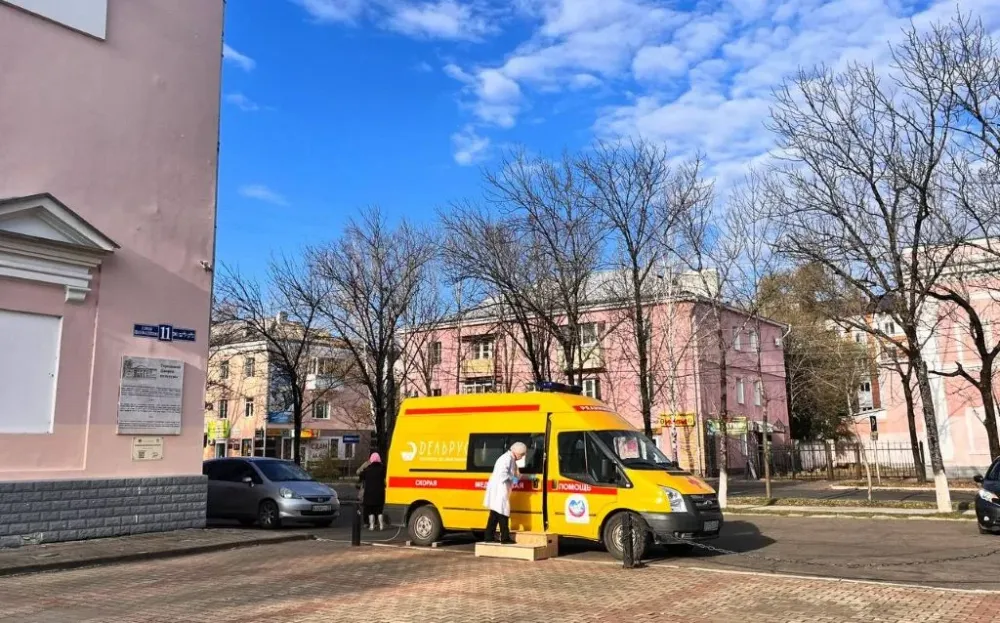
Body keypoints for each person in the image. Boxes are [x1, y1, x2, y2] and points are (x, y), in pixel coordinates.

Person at [483, 442, 527, 544]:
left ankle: (488, 536)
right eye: (521, 455)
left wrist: (522, 477)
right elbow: (503, 474)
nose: (521, 457)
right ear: (517, 452)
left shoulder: (510, 458)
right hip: (500, 489)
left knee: (495, 514)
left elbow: (516, 473)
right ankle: (505, 538)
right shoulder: (506, 459)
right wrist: (513, 479)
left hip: (500, 489)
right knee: (503, 512)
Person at [358, 452, 386, 531]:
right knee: (379, 510)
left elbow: (360, 475)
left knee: (370, 510)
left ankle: (372, 525)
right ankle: (381, 525)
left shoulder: (368, 469)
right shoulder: (383, 468)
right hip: (380, 493)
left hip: (369, 493)